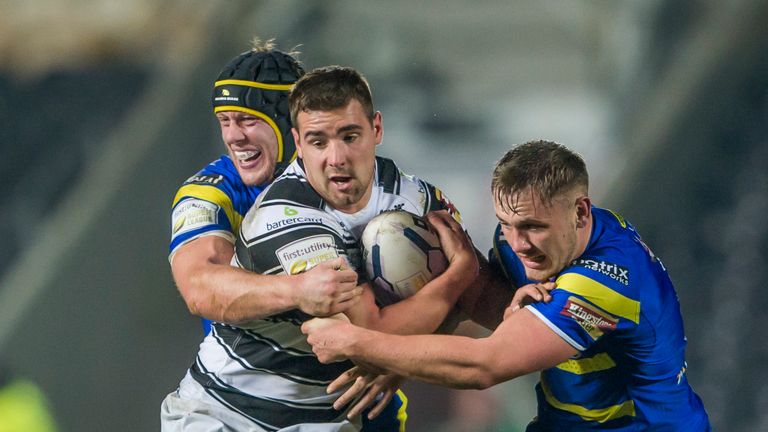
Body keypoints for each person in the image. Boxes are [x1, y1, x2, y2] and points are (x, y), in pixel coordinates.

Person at [303, 140, 712, 431]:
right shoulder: (534, 240)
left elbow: (485, 365)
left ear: (580, 211)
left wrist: (355, 342)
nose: (518, 244)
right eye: (506, 223)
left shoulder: (609, 280)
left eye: (533, 227)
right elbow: (495, 308)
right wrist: (463, 272)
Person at [162, 64, 484, 431]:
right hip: (233, 413)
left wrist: (532, 303)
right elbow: (372, 337)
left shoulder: (414, 196)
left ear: (376, 129)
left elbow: (475, 300)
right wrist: (459, 275)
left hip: (335, 415)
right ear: (299, 139)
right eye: (319, 141)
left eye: (349, 136)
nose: (337, 157)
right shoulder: (276, 213)